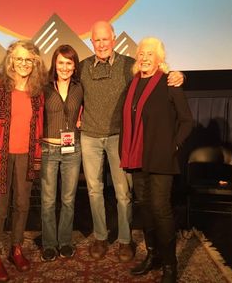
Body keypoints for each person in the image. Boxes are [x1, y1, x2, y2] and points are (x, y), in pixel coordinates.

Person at [79, 21, 185, 262]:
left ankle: (125, 240)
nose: (102, 44)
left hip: (120, 137)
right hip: (90, 136)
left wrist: (178, 75)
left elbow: (156, 77)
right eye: (97, 40)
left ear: (114, 39)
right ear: (91, 41)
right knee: (94, 191)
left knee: (123, 193)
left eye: (106, 39)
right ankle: (100, 236)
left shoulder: (129, 64)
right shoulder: (83, 67)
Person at [120, 37, 193, 283]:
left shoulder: (169, 82)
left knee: (161, 210)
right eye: (141, 53)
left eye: (150, 54)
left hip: (161, 159)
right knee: (145, 208)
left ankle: (170, 265)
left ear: (159, 58)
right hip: (137, 156)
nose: (144, 57)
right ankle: (153, 256)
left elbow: (187, 121)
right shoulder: (132, 84)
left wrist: (173, 145)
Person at [0, 40, 47, 282]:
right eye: (19, 58)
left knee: (22, 205)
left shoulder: (38, 91)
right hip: (0, 157)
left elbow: (39, 126)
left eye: (29, 59)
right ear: (11, 61)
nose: (24, 63)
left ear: (35, 63)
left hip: (27, 157)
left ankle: (16, 248)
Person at [40, 45, 83, 261]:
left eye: (69, 63)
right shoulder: (44, 87)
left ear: (74, 66)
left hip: (72, 149)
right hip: (48, 148)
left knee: (68, 199)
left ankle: (65, 241)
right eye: (60, 63)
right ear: (54, 64)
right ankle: (49, 244)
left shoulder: (80, 87)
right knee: (48, 201)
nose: (64, 67)